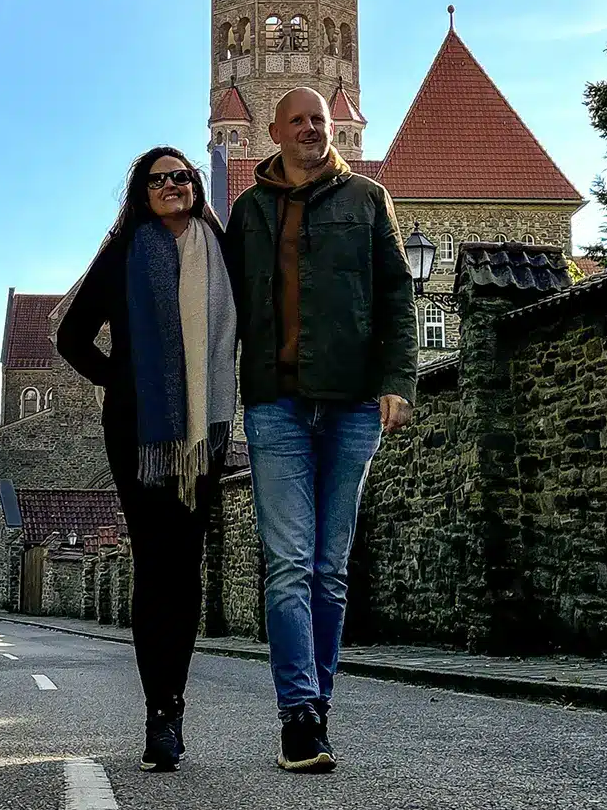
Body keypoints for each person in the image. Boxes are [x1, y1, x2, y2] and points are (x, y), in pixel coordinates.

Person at [225, 87, 418, 773]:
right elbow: (225, 307)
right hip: (275, 403)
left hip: (352, 402)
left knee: (328, 571)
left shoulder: (368, 199)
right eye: (298, 120)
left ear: (333, 129)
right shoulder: (248, 211)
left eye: (320, 120)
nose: (310, 128)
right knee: (287, 563)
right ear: (272, 131)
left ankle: (318, 703)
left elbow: (397, 292)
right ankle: (298, 714)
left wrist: (399, 377)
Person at [56, 148, 236, 773]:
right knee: (155, 564)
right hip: (139, 434)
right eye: (159, 179)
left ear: (195, 186)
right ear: (141, 190)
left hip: (204, 432)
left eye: (182, 177)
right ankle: (158, 713)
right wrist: (123, 381)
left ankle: (174, 701)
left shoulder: (221, 250)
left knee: (187, 568)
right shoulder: (123, 254)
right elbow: (71, 337)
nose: (172, 186)